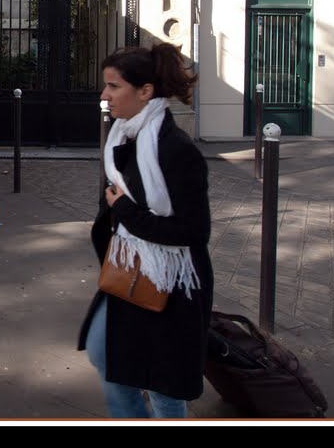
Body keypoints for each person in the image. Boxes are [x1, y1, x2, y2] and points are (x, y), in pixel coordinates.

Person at [77, 42, 213, 419]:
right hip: (129, 270)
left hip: (173, 283)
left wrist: (124, 209)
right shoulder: (124, 137)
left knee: (163, 387)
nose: (105, 95)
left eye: (114, 86)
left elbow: (193, 231)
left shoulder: (176, 149)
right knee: (105, 353)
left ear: (145, 91)